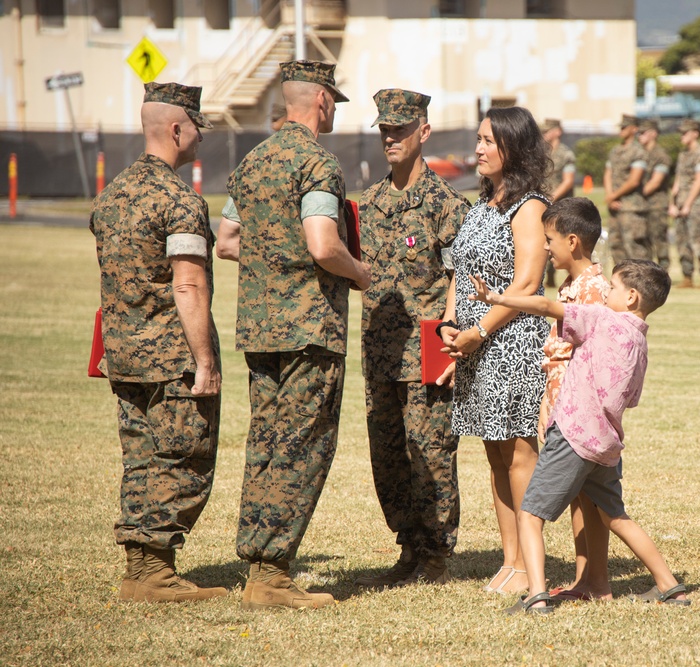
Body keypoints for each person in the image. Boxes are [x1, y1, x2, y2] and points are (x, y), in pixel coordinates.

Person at [217, 60, 371, 610]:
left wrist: (271, 259)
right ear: (323, 101)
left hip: (259, 330)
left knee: (265, 443)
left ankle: (259, 562)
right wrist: (359, 272)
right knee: (302, 447)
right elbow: (323, 244)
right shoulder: (318, 165)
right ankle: (273, 577)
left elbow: (228, 241)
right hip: (309, 329)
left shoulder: (253, 162)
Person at [465, 260, 688, 614]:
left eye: (612, 289)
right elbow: (631, 398)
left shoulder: (602, 320)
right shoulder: (640, 341)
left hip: (573, 436)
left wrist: (495, 297)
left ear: (630, 296)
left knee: (530, 514)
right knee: (615, 517)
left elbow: (546, 306)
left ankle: (537, 597)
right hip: (606, 445)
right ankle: (670, 586)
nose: (606, 294)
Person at [90, 81, 226, 603]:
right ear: (176, 129)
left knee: (141, 459)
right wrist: (205, 363)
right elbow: (188, 284)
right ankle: (155, 574)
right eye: (196, 128)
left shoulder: (111, 197)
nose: (199, 138)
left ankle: (141, 569)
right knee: (180, 460)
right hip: (171, 360)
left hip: (122, 356)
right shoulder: (180, 202)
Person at [354, 88, 469, 588]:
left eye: (400, 129)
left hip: (426, 346)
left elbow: (461, 280)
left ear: (423, 132)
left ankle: (437, 552)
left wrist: (452, 340)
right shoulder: (371, 203)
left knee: (432, 450)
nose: (390, 138)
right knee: (389, 451)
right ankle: (408, 546)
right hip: (379, 348)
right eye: (384, 130)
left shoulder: (446, 204)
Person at [438, 106, 550, 596]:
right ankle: (509, 561)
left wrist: (478, 331)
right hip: (473, 344)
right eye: (478, 139)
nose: (478, 149)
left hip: (511, 343)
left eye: (488, 141)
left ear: (513, 147)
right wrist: (449, 322)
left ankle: (530, 564)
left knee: (521, 457)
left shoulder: (529, 207)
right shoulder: (480, 205)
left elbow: (526, 282)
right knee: (495, 457)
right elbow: (460, 273)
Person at [535, 198, 612, 602]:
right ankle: (587, 580)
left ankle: (596, 582)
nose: (545, 247)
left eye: (550, 240)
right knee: (580, 496)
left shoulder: (594, 288)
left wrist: (565, 402)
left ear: (572, 241)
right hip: (564, 402)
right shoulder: (572, 285)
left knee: (594, 499)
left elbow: (595, 356)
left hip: (581, 407)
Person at [670, 119, 700, 287]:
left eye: (685, 132)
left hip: (697, 203)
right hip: (682, 203)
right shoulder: (683, 155)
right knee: (682, 242)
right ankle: (687, 277)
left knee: (699, 240)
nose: (682, 136)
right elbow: (678, 181)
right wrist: (673, 203)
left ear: (695, 133)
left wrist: (688, 204)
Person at [603, 114, 651, 263]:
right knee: (616, 246)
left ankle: (642, 282)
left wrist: (613, 196)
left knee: (635, 248)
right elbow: (608, 174)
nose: (621, 130)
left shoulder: (638, 152)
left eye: (625, 127)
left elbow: (634, 181)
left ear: (634, 129)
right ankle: (621, 282)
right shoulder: (615, 151)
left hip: (632, 207)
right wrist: (610, 196)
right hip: (615, 207)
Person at [540, 118, 576, 286]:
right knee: (545, 240)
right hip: (543, 204)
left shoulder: (566, 154)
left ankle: (575, 279)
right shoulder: (541, 153)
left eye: (547, 131)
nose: (544, 134)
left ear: (557, 131)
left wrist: (552, 198)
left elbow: (568, 180)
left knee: (567, 242)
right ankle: (549, 277)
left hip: (562, 206)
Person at [637, 119, 673, 271]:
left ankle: (663, 272)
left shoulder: (660, 156)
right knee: (644, 241)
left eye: (643, 133)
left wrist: (635, 194)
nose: (640, 136)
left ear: (653, 134)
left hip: (656, 205)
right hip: (642, 204)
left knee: (659, 240)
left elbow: (656, 182)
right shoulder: (640, 154)